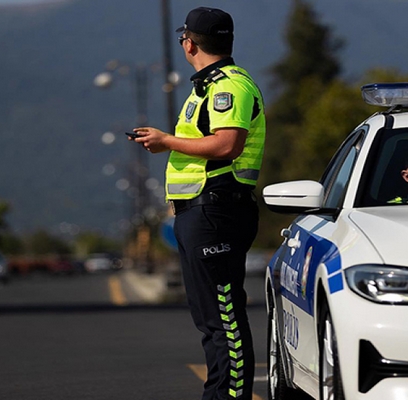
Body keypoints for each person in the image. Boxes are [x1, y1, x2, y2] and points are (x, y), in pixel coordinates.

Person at [131, 7, 265, 400]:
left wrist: (166, 141)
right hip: (201, 212)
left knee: (224, 318)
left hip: (217, 210)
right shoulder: (208, 87)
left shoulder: (229, 87)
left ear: (189, 43)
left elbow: (227, 145)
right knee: (211, 320)